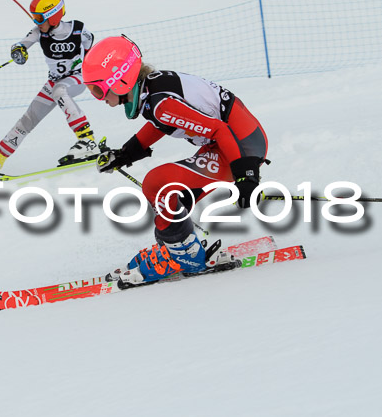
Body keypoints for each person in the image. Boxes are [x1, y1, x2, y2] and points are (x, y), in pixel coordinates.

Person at [82, 35, 269, 286]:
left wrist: (246, 175)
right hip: (227, 144)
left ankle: (184, 255)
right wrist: (126, 153)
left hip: (239, 147)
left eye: (97, 89)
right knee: (172, 197)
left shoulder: (160, 103)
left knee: (159, 183)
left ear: (120, 80)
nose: (99, 97)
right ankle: (178, 248)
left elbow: (219, 130)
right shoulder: (153, 92)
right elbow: (163, 123)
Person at [0, 0, 98, 182]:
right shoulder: (39, 32)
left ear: (53, 15)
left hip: (77, 78)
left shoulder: (77, 28)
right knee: (28, 119)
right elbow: (22, 43)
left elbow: (90, 40)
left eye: (39, 17)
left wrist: (86, 61)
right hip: (55, 81)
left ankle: (87, 140)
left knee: (60, 91)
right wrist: (18, 51)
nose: (36, 22)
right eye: (34, 17)